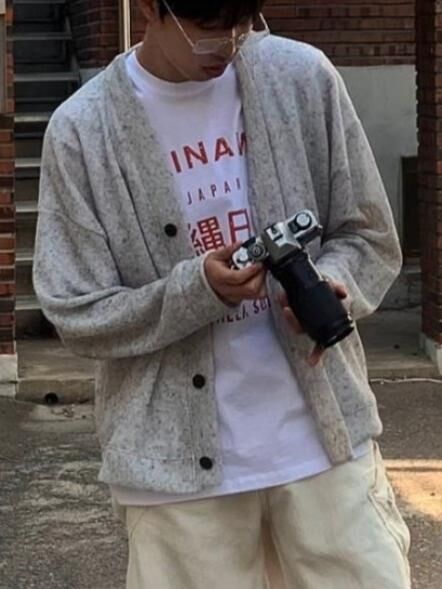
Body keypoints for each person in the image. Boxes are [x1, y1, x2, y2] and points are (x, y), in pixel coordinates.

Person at [33, 0, 411, 587]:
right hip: (172, 472)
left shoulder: (301, 78)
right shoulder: (85, 130)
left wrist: (335, 287)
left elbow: (368, 234)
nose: (231, 44)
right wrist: (196, 291)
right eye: (208, 29)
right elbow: (75, 308)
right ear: (152, 8)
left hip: (324, 442)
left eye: (243, 22)